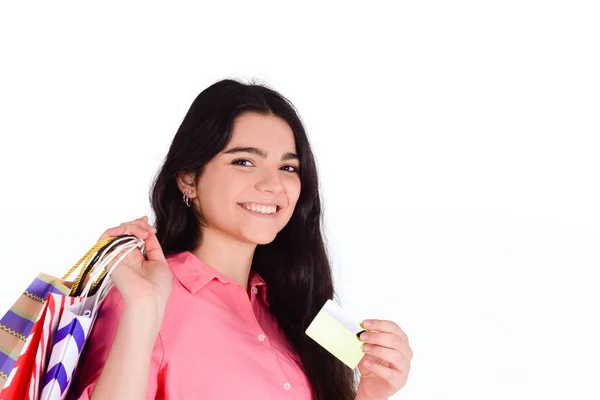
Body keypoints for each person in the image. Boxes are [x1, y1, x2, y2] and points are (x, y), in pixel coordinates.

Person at [68, 79, 413, 400]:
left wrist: (371, 392)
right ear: (188, 178)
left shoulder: (289, 308)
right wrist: (142, 307)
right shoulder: (145, 297)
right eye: (245, 161)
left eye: (288, 167)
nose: (272, 184)